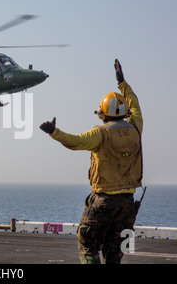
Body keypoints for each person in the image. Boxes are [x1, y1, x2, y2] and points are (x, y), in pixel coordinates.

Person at [40, 59, 143, 264]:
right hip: (127, 203)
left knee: (87, 244)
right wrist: (123, 83)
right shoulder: (136, 127)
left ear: (103, 113)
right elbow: (135, 104)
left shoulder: (101, 134)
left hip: (103, 201)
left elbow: (76, 142)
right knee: (115, 250)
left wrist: (54, 132)